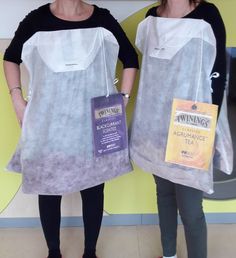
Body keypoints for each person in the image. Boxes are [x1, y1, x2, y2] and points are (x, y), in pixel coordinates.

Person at [3, 1, 138, 258]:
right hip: (49, 125)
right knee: (49, 189)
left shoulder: (102, 19)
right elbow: (10, 58)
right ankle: (53, 251)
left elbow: (130, 59)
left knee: (94, 188)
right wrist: (17, 100)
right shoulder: (36, 20)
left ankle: (90, 252)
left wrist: (123, 99)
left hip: (92, 123)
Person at [130, 1, 229, 258]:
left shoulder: (207, 14)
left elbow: (217, 69)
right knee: (164, 194)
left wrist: (210, 120)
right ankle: (169, 254)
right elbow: (152, 71)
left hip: (190, 123)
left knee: (190, 207)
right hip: (155, 122)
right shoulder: (151, 17)